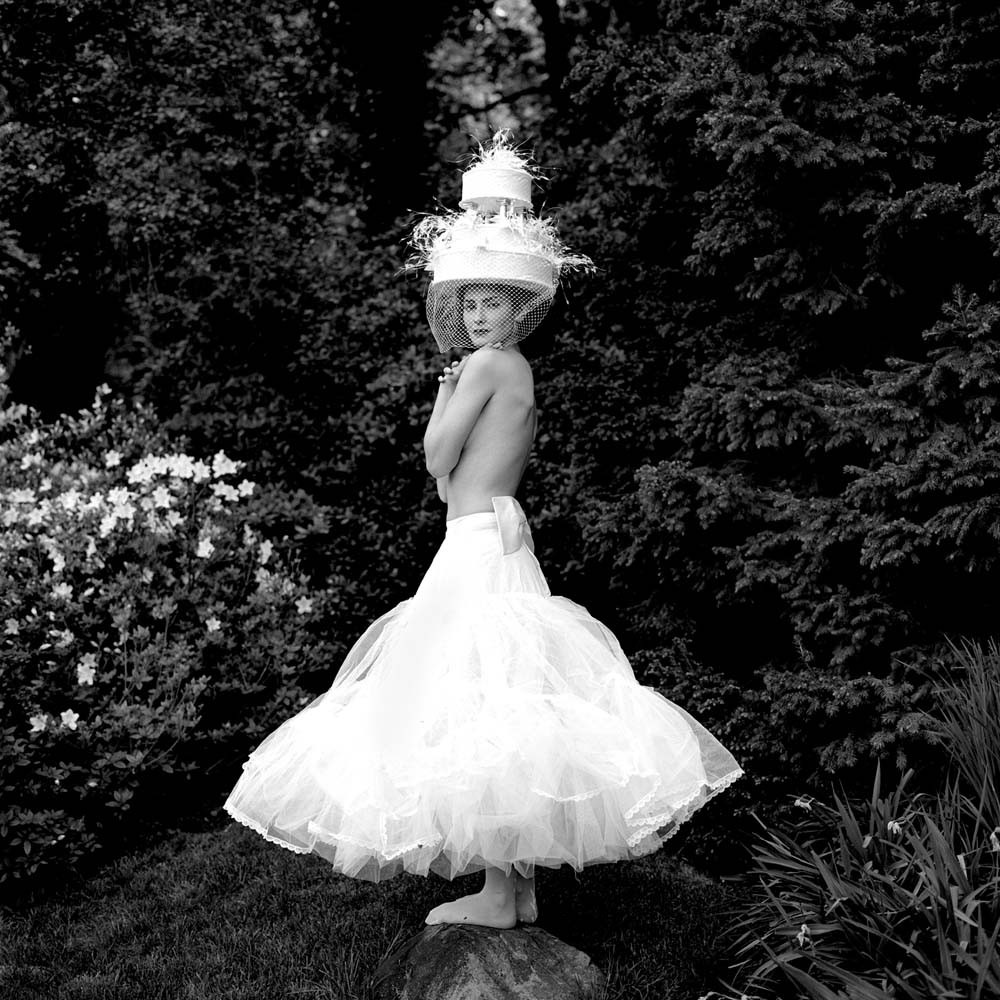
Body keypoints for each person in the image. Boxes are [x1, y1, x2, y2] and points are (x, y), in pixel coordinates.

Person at [223, 133, 743, 930]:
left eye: (490, 302)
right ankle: (517, 887)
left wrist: (441, 405)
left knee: (476, 704)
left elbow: (437, 461)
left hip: (472, 546)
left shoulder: (490, 365)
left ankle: (500, 897)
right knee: (501, 698)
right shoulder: (515, 371)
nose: (475, 314)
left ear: (517, 308)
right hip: (494, 539)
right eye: (467, 302)